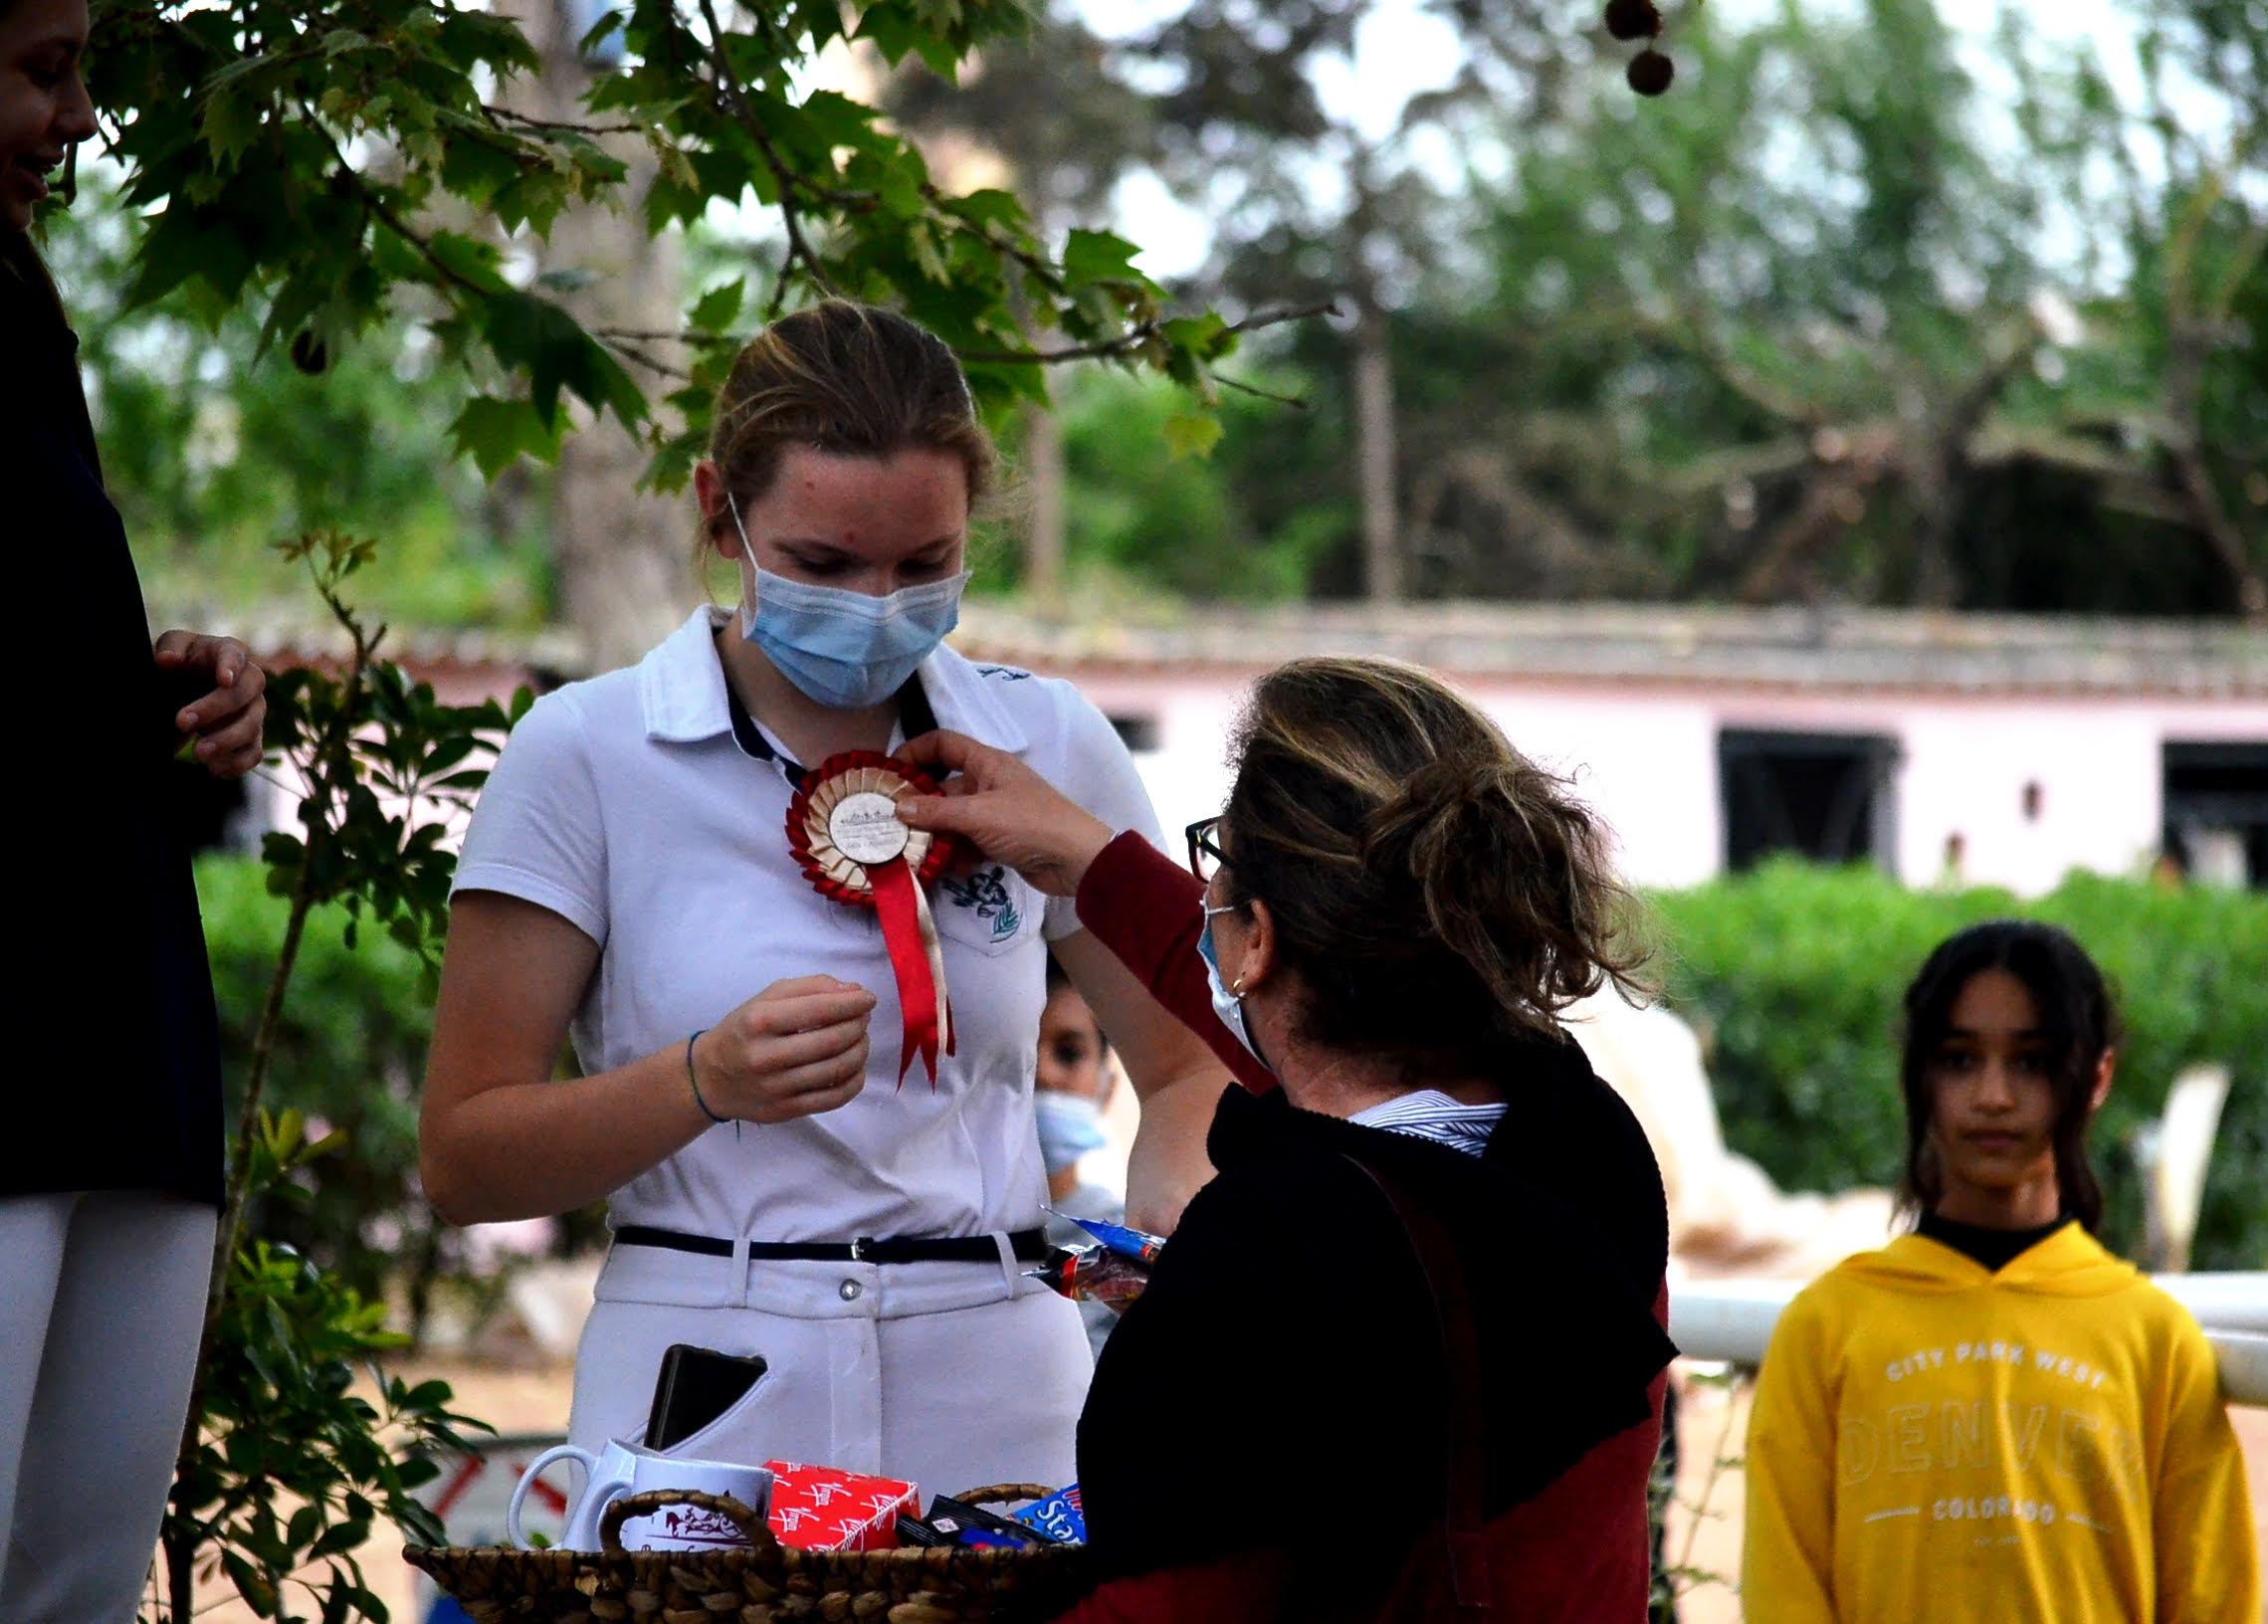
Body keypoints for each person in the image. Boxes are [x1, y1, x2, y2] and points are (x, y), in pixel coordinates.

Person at [418, 301, 1233, 1500]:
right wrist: (699, 1082)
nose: (875, 606)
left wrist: (1184, 1226)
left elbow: (1193, 1061)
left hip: (1005, 1376)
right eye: (822, 565)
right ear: (718, 511)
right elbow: (463, 1160)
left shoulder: (1046, 737)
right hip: (708, 1378)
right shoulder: (586, 751)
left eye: (923, 566)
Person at [898, 656, 1678, 1622]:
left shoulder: (1276, 1248)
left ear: (1256, 937)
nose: (1207, 894)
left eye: (1215, 862)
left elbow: (1172, 1607)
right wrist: (1096, 867)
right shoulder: (1583, 1145)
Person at [2, 2, 272, 1617]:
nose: (85, 116)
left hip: (115, 1035)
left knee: (78, 1586)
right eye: (41, 70)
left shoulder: (24, 313)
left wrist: (178, 699)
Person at [1743, 920, 2258, 1624]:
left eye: (2033, 1062)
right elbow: (1783, 1593)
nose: (1993, 1096)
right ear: (1920, 1073)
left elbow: (2211, 1599)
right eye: (1959, 1060)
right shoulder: (1828, 1326)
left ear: (2097, 1076)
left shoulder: (2153, 1339)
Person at [1036, 958, 1126, 1355]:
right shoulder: (937, 1238)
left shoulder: (1131, 1245)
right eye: (1016, 1055)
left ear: (1107, 1089)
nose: (1043, 1074)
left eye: (1069, 1054)